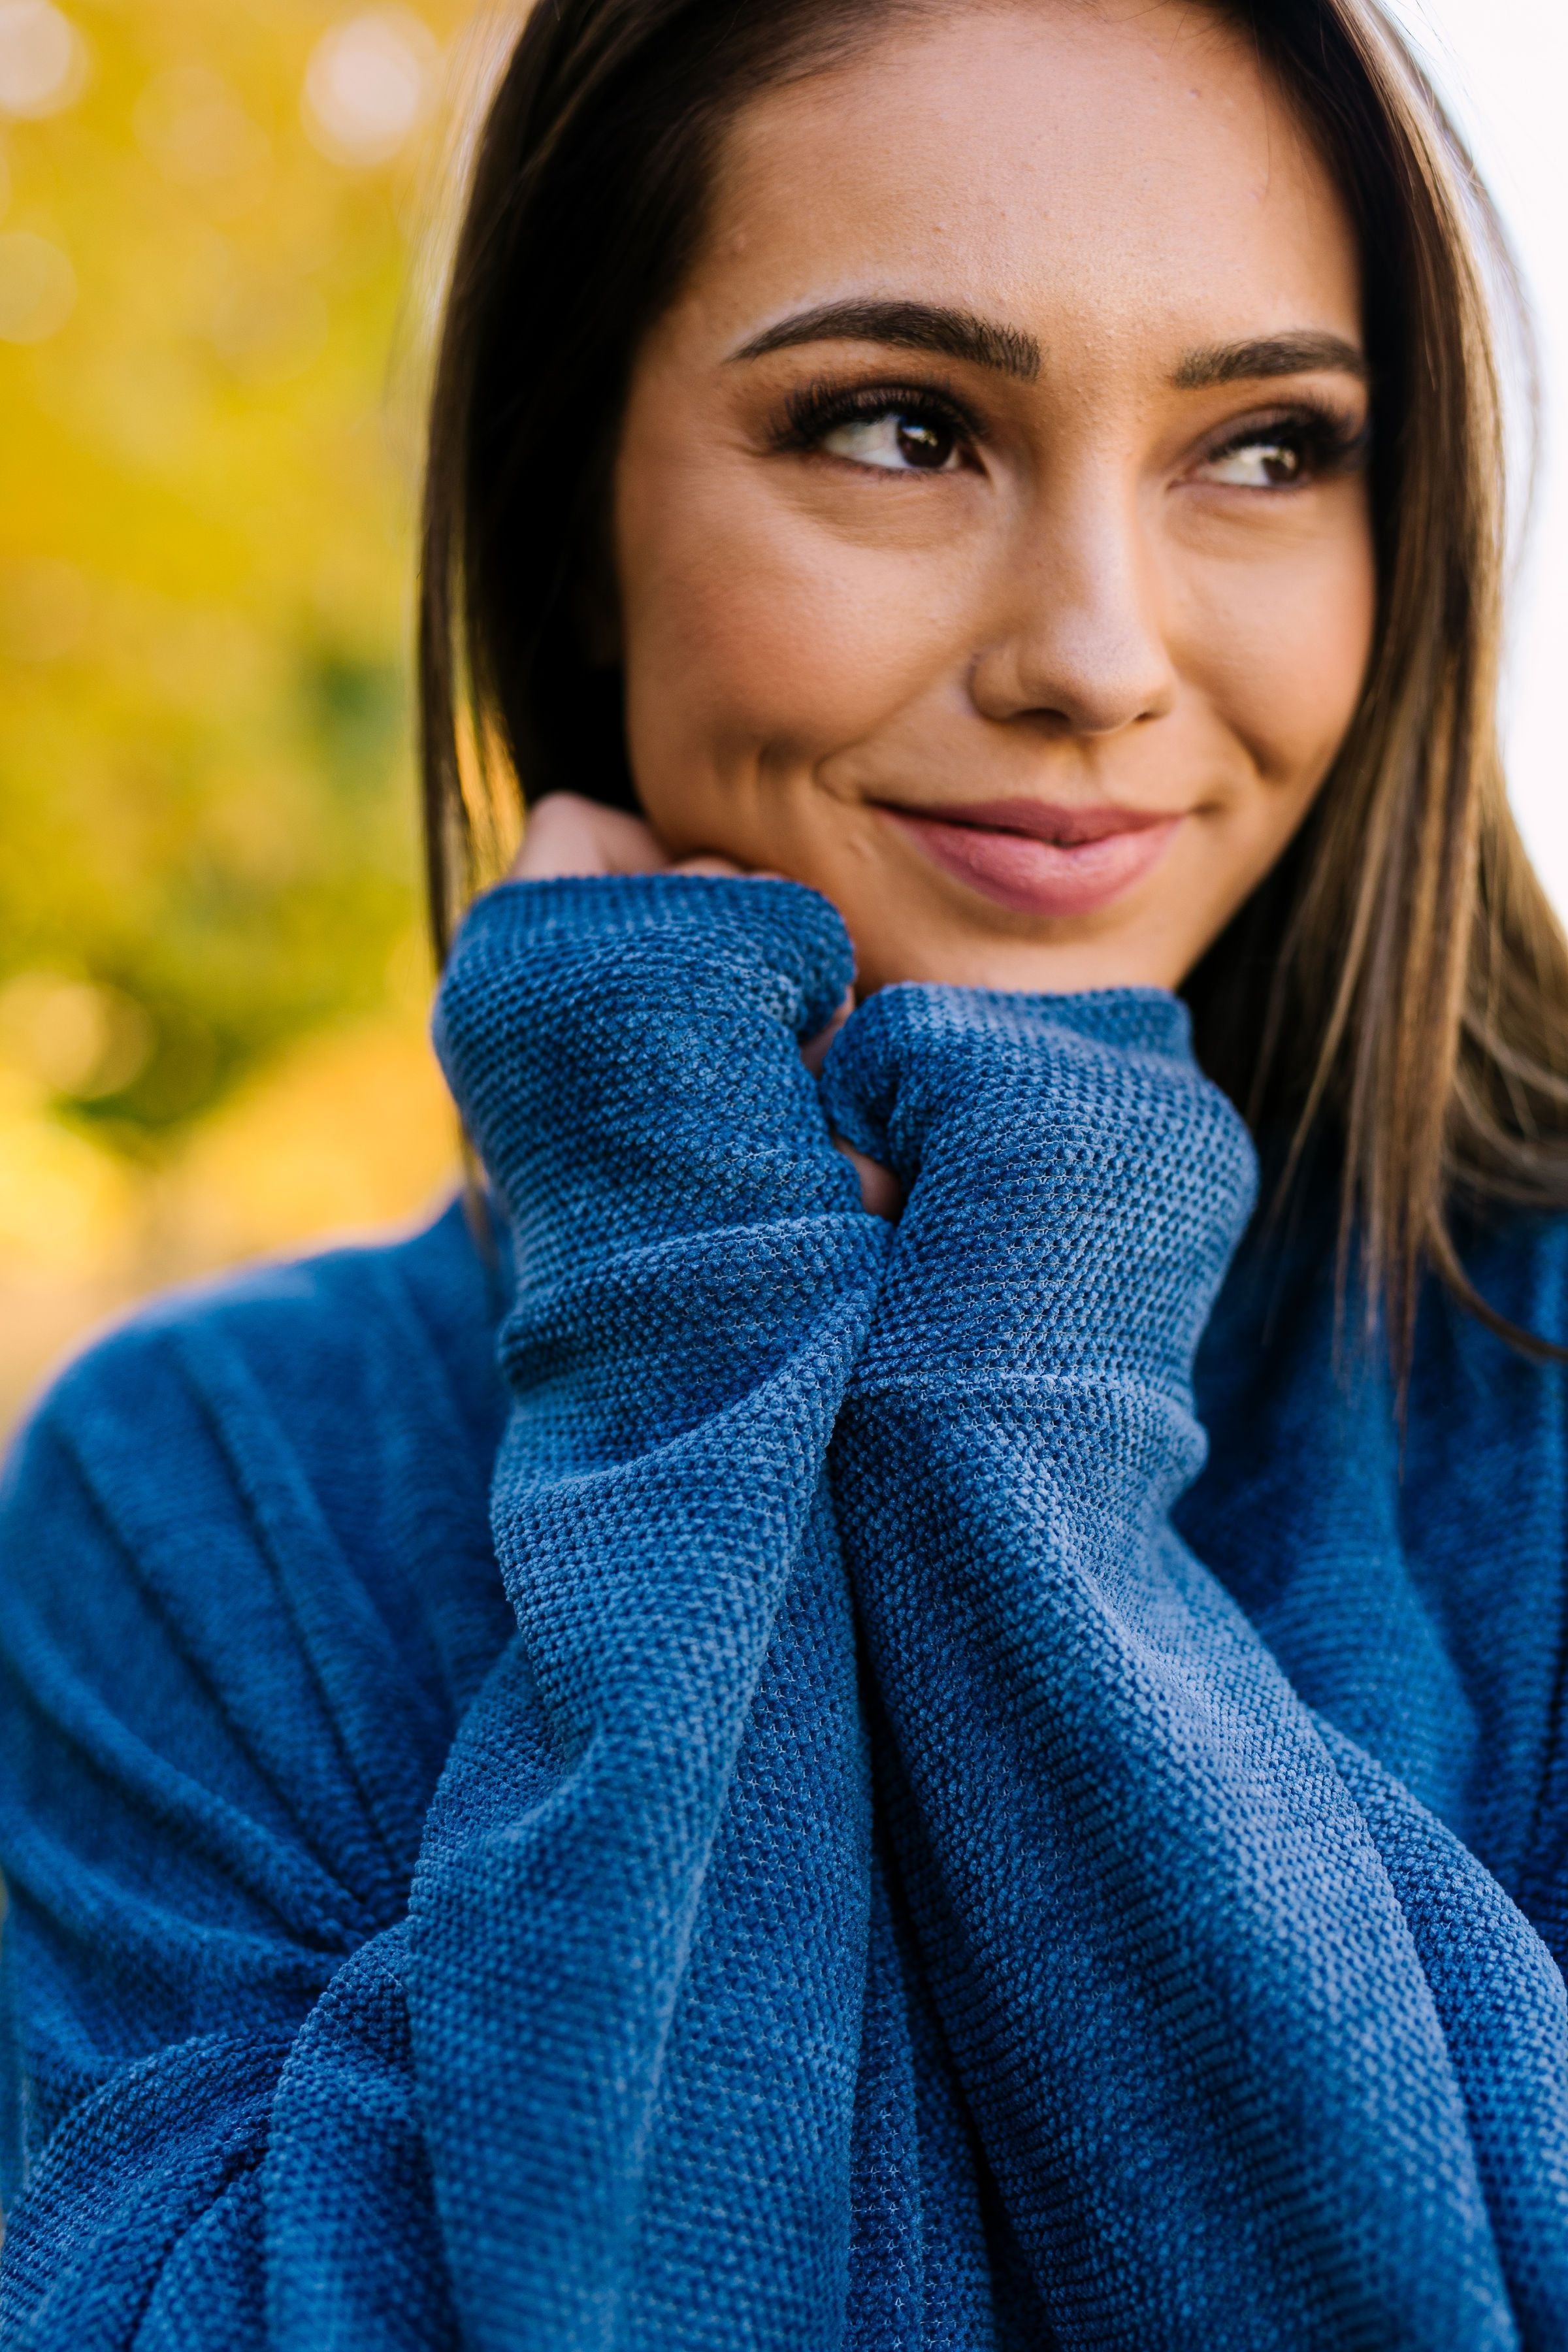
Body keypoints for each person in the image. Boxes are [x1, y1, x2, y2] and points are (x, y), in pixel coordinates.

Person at [3, 0, 1568, 2340]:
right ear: (573, 495)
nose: (1100, 656)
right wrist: (695, 1323)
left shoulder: (1536, 1399)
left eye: (1264, 448)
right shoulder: (197, 1493)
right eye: (902, 428)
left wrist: (1011, 1394)